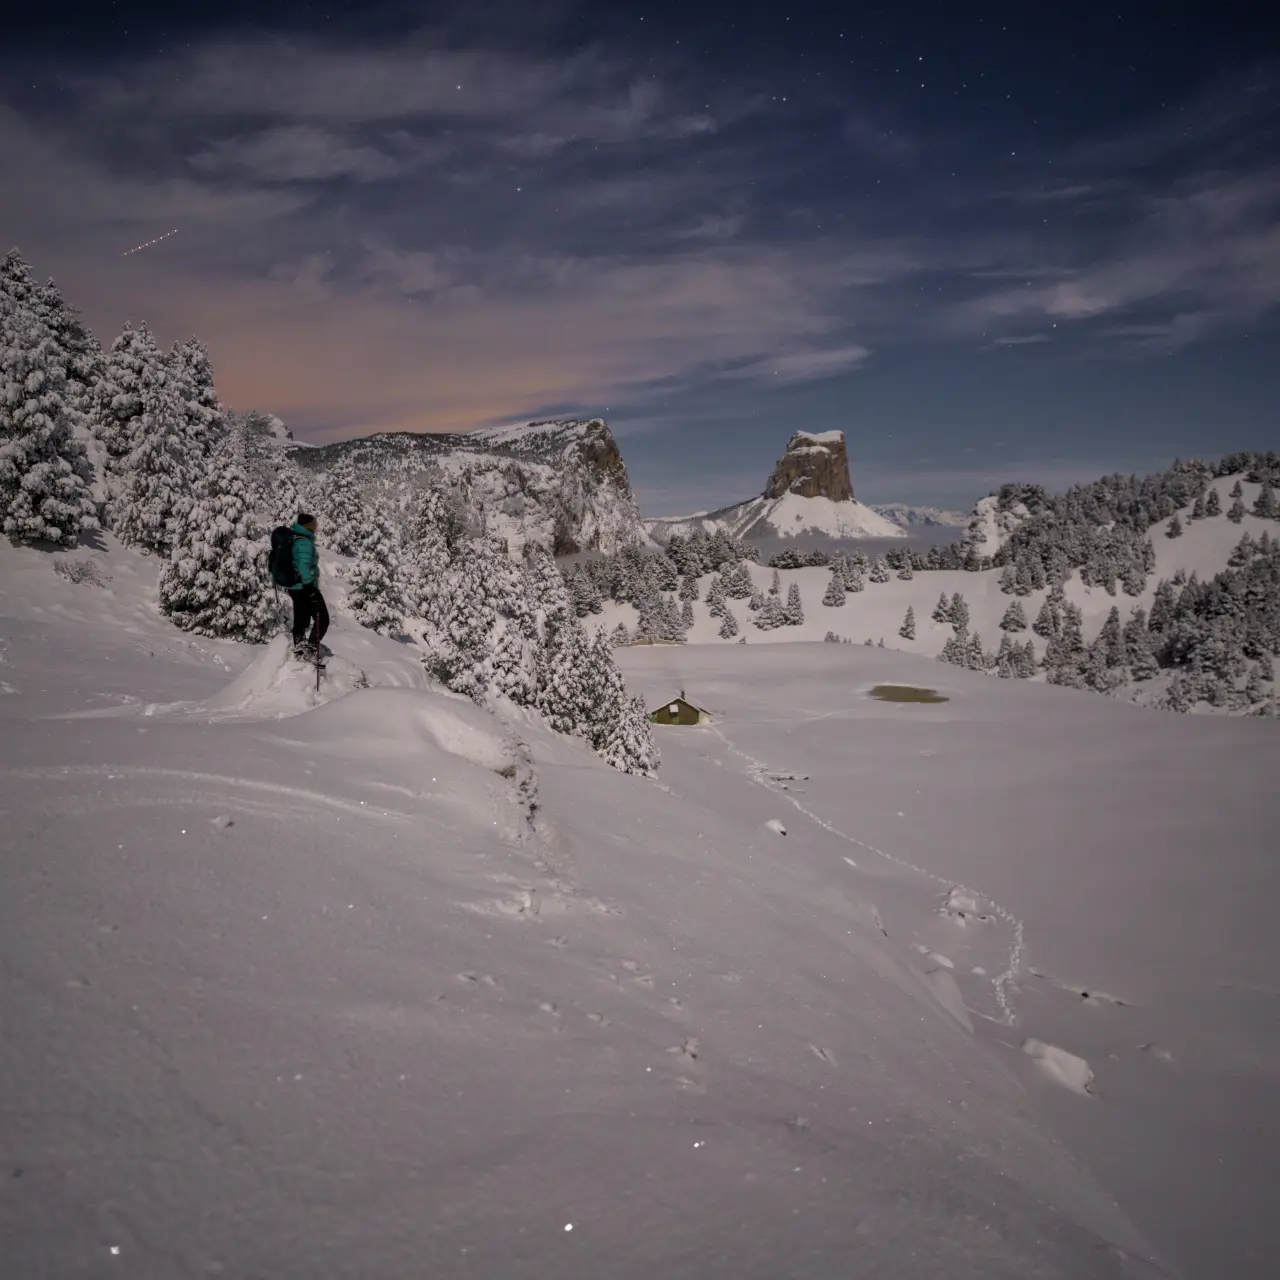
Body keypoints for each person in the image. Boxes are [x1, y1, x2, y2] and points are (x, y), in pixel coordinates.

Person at [289, 512, 329, 659]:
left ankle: (301, 648)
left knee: (301, 618)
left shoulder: (298, 539)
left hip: (296, 587)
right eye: (314, 524)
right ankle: (310, 650)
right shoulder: (304, 542)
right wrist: (309, 587)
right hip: (304, 586)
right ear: (307, 526)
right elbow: (303, 566)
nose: (316, 526)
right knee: (322, 618)